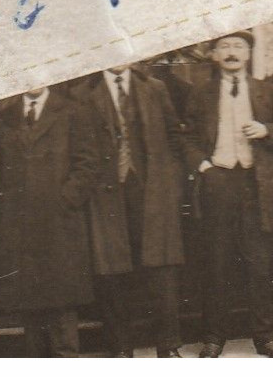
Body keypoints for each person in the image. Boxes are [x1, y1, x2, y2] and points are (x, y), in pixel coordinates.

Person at [181, 31, 273, 358]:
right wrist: (203, 166)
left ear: (248, 54)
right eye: (225, 46)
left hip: (256, 184)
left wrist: (266, 130)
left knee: (260, 265)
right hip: (218, 183)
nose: (231, 52)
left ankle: (265, 337)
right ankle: (215, 337)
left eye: (238, 47)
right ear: (214, 54)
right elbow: (185, 138)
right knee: (217, 264)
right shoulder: (200, 93)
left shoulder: (267, 91)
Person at [75, 63, 185, 357]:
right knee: (113, 273)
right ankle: (121, 348)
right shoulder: (84, 94)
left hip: (152, 192)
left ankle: (168, 345)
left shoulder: (154, 88)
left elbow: (174, 138)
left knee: (162, 269)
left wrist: (169, 182)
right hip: (106, 195)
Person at [0, 86, 96, 356]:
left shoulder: (72, 111)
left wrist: (66, 199)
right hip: (21, 223)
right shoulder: (8, 116)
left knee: (61, 302)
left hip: (58, 221)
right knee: (29, 303)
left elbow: (87, 163)